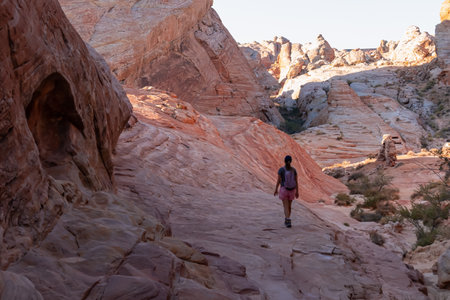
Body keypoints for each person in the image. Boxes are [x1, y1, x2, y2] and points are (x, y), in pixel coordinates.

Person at [274, 155, 299, 228]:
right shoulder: (294, 170)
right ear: (291, 161)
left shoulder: (281, 170)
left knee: (285, 206)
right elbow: (296, 181)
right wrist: (297, 191)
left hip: (284, 189)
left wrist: (276, 189)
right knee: (289, 206)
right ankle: (287, 219)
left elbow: (278, 180)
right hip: (292, 190)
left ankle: (288, 220)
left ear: (284, 161)